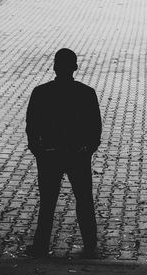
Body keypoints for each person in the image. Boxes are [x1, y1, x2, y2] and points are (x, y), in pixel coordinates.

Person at [25, 48, 102, 258]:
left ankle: (41, 245)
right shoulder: (87, 93)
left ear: (55, 67)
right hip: (77, 155)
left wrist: (38, 151)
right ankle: (90, 243)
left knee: (48, 202)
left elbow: (31, 126)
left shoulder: (40, 92)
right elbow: (95, 128)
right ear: (75, 68)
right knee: (84, 200)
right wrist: (87, 150)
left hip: (50, 155)